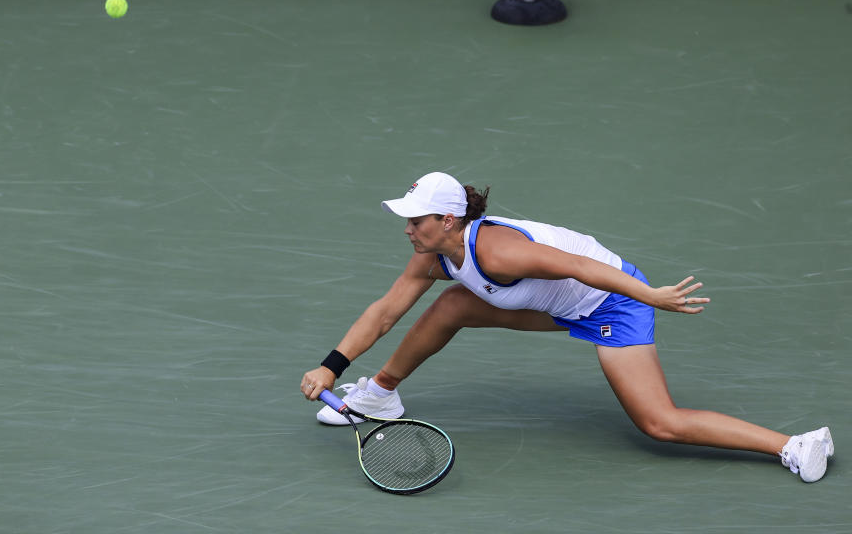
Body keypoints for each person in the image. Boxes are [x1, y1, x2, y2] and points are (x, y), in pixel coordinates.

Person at [301, 172, 834, 483]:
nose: (408, 229)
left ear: (448, 221)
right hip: (555, 304)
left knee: (659, 423)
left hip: (609, 302)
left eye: (416, 220)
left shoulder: (500, 249)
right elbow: (384, 312)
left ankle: (792, 445)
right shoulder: (435, 255)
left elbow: (580, 267)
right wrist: (331, 367)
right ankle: (379, 395)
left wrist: (648, 295)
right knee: (449, 307)